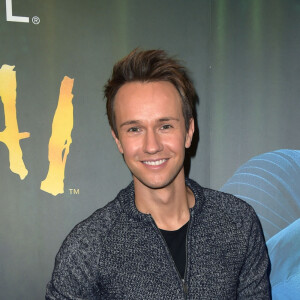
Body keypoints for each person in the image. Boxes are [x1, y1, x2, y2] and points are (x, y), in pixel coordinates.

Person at [46, 49, 271, 299]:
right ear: (118, 140)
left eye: (165, 126)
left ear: (188, 131)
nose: (152, 145)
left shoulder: (238, 223)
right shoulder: (88, 246)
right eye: (134, 129)